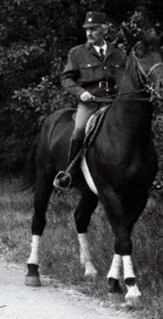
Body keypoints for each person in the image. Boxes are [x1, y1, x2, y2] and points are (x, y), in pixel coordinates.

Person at [53, 11, 126, 190]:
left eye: (93, 29)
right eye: (87, 30)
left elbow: (125, 80)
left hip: (114, 102)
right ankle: (70, 173)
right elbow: (66, 78)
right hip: (90, 101)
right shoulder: (77, 53)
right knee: (78, 131)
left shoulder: (118, 54)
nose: (89, 33)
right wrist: (80, 92)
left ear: (104, 29)